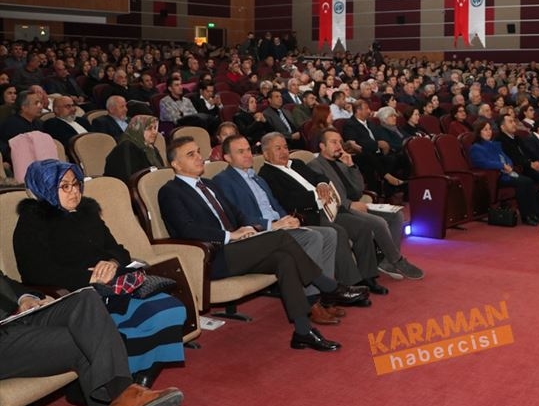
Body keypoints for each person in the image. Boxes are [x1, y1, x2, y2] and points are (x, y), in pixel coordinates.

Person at [158, 136, 367, 351]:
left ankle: (303, 332)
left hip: (237, 248)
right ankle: (329, 286)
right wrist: (231, 235)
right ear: (175, 164)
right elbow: (187, 229)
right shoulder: (170, 191)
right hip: (212, 257)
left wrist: (250, 228)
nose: (199, 157)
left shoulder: (209, 185)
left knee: (284, 259)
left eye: (198, 152)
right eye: (190, 154)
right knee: (279, 237)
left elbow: (238, 214)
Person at [13, 160, 187, 384]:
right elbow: (34, 273)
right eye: (64, 186)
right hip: (80, 295)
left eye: (76, 184)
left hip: (115, 284)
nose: (74, 191)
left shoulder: (87, 212)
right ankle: (121, 382)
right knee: (146, 319)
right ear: (44, 187)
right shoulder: (32, 222)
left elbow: (119, 250)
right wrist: (90, 277)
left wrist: (112, 262)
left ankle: (140, 376)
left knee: (172, 308)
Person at [0, 274, 184, 406]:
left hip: (14, 320)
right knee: (84, 340)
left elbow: (3, 280)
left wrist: (25, 298)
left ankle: (123, 397)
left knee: (86, 298)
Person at [210, 135, 344, 325]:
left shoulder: (256, 178)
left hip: (279, 226)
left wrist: (288, 219)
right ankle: (312, 302)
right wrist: (271, 225)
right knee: (314, 238)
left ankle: (326, 298)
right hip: (260, 233)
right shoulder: (223, 181)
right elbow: (237, 216)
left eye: (248, 150)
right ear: (227, 158)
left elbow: (275, 206)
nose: (247, 155)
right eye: (240, 152)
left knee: (329, 234)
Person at [257, 132, 390, 294]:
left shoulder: (297, 163)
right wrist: (317, 196)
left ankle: (368, 276)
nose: (284, 151)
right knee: (338, 232)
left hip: (330, 208)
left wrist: (321, 184)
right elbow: (287, 200)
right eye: (278, 148)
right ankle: (350, 283)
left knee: (363, 227)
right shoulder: (267, 175)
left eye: (285, 147)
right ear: (266, 154)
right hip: (309, 214)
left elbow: (319, 176)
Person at [309, 128, 424, 280]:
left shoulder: (342, 163)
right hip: (341, 210)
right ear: (322, 146)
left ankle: (386, 261)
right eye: (333, 142)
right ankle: (397, 260)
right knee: (379, 222)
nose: (339, 146)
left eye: (340, 142)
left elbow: (358, 190)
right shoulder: (315, 166)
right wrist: (349, 204)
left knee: (397, 215)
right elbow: (326, 195)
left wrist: (351, 167)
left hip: (355, 204)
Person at [468, 120, 539, 226]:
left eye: (490, 129)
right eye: (485, 130)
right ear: (479, 132)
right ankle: (526, 216)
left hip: (507, 172)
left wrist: (508, 165)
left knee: (528, 181)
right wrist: (501, 166)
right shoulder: (476, 148)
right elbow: (483, 162)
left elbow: (506, 157)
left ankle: (533, 213)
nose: (489, 132)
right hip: (497, 176)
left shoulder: (494, 144)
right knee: (523, 182)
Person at [104, 115, 165, 183]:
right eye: (149, 128)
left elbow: (161, 170)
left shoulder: (150, 148)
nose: (155, 132)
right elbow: (131, 178)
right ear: (137, 129)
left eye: (155, 128)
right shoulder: (126, 147)